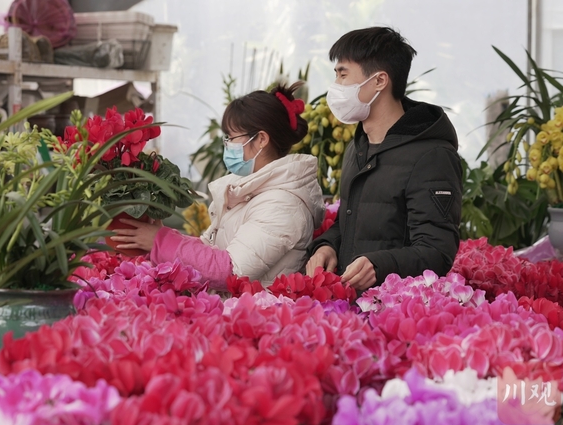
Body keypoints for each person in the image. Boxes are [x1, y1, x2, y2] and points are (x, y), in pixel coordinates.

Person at [111, 82, 325, 288]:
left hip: (256, 317)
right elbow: (210, 250)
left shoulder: (282, 204)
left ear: (261, 139)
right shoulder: (249, 189)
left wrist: (159, 241)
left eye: (232, 137)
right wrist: (161, 238)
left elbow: (230, 271)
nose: (227, 145)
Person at [306, 26, 462, 291]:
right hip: (348, 307)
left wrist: (379, 266)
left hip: (395, 313)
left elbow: (437, 251)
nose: (336, 87)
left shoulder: (431, 156)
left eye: (343, 75)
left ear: (379, 81)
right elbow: (352, 224)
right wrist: (327, 246)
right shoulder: (358, 147)